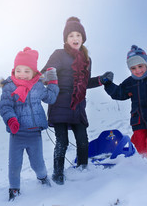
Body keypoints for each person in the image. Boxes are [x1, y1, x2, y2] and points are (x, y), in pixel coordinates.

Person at [41, 16, 113, 185]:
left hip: (78, 106)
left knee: (82, 140)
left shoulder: (87, 60)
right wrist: (48, 74)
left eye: (78, 35)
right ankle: (58, 175)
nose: (75, 38)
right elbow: (47, 72)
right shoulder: (58, 54)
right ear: (66, 39)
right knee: (62, 141)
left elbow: (85, 83)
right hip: (59, 103)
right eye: (71, 35)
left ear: (83, 38)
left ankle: (83, 170)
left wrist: (101, 79)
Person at [0, 47, 59, 201]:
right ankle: (14, 188)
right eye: (19, 70)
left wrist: (52, 81)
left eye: (27, 71)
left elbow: (50, 98)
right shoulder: (9, 87)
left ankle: (43, 177)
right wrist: (11, 120)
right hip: (17, 133)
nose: (22, 74)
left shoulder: (38, 86)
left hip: (34, 134)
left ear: (34, 72)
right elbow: (5, 106)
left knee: (37, 162)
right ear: (14, 70)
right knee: (15, 164)